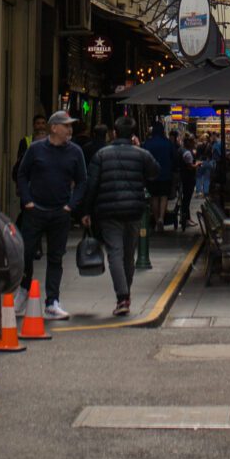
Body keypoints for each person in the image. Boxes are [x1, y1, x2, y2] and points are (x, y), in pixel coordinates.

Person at [78, 113, 159, 316]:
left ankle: (122, 297)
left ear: (114, 133)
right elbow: (155, 172)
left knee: (114, 251)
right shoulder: (141, 154)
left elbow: (92, 184)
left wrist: (85, 211)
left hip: (108, 211)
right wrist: (140, 148)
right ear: (133, 135)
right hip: (133, 211)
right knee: (128, 253)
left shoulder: (101, 155)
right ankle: (126, 293)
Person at [14, 108, 85, 322]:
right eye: (66, 125)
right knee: (26, 253)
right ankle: (24, 291)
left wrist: (71, 206)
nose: (70, 129)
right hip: (35, 211)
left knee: (56, 257)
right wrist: (27, 200)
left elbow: (82, 180)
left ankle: (52, 302)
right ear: (54, 128)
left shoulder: (75, 152)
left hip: (59, 212)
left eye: (71, 125)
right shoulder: (35, 149)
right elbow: (22, 173)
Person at [142, 117, 177, 229]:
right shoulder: (167, 143)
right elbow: (174, 157)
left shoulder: (147, 143)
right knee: (164, 196)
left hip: (151, 175)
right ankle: (162, 217)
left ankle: (157, 220)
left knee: (154, 197)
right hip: (165, 174)